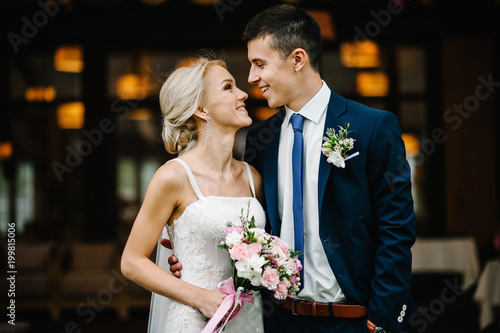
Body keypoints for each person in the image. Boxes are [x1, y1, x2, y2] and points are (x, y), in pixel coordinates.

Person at [169, 4, 418, 333]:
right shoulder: (259, 140)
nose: (251, 78)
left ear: (298, 59)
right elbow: (251, 226)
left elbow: (396, 229)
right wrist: (193, 246)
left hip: (355, 319)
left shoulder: (371, 128)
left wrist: (383, 316)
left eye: (260, 64)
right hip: (278, 320)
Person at [121, 57, 266, 333]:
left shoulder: (252, 177)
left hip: (249, 320)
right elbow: (132, 262)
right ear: (201, 109)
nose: (243, 93)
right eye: (228, 87)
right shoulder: (173, 176)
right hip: (195, 320)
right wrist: (202, 298)